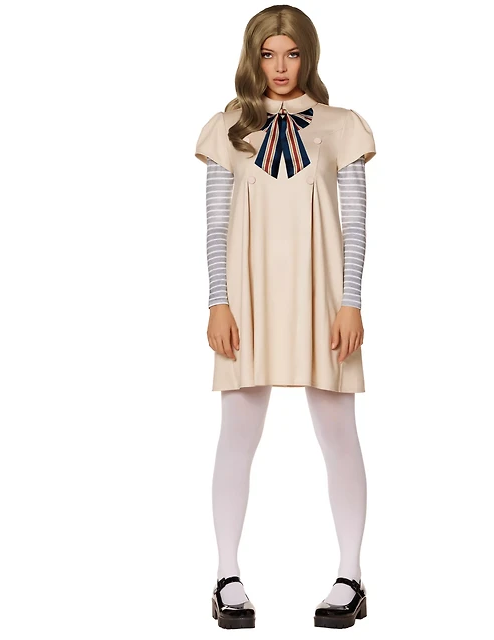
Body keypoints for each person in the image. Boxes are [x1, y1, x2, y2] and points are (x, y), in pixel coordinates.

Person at [194, 4, 376, 630]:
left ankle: (351, 574)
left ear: (308, 56)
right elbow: (216, 225)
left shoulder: (342, 126)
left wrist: (350, 301)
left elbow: (355, 223)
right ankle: (227, 575)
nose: (280, 66)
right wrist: (218, 301)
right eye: (268, 54)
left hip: (324, 300)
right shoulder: (227, 127)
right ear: (253, 58)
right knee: (237, 436)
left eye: (292, 53)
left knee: (339, 434)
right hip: (246, 301)